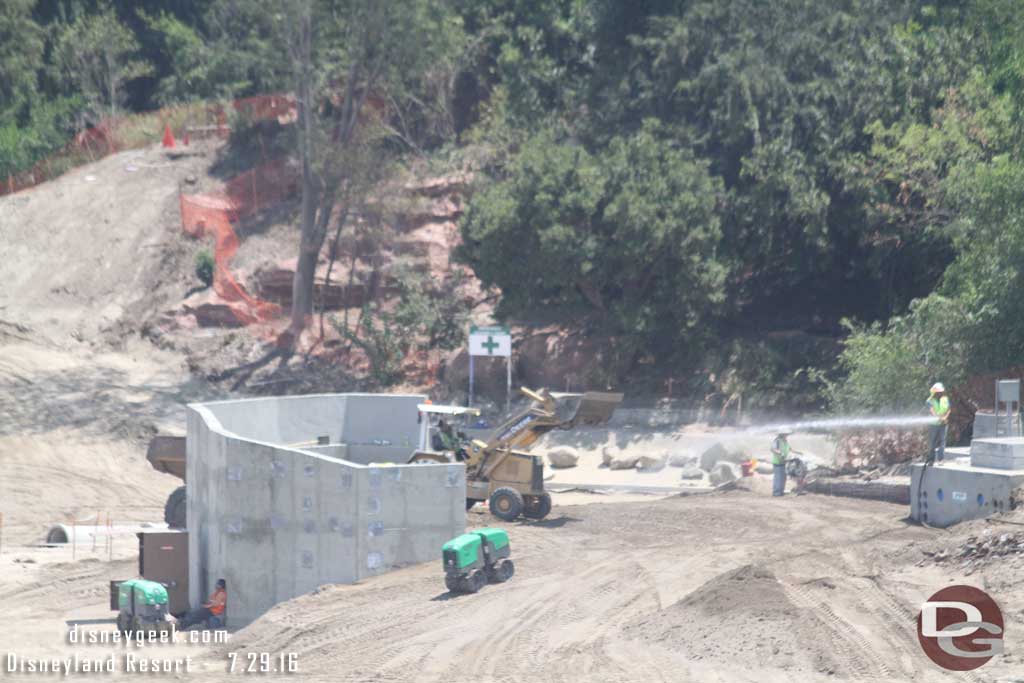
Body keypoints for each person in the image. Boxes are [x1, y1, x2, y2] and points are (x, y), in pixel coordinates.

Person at [770, 430, 802, 497]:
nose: (787, 435)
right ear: (782, 434)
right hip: (777, 462)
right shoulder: (777, 441)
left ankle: (781, 491)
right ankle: (776, 493)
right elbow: (773, 449)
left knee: (783, 477)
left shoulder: (785, 441)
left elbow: (790, 449)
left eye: (787, 434)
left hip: (784, 462)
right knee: (778, 477)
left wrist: (798, 452)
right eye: (786, 434)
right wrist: (780, 453)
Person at [926, 383, 951, 465]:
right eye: (937, 392)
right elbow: (932, 412)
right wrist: (940, 418)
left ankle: (941, 460)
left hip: (943, 424)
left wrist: (945, 417)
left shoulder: (945, 399)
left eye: (940, 392)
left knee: (942, 442)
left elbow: (949, 409)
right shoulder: (929, 401)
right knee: (932, 443)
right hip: (933, 425)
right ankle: (931, 460)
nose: (939, 393)